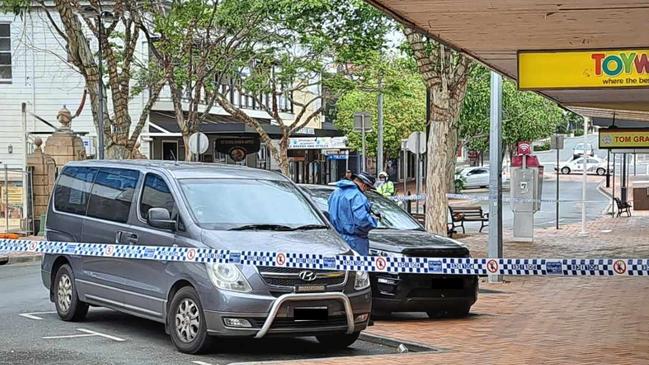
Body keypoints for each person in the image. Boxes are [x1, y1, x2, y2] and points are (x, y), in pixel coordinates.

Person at [327, 172, 378, 256]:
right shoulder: (358, 196)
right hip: (355, 241)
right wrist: (373, 220)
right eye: (367, 189)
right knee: (358, 267)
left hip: (337, 239)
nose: (366, 191)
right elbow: (362, 220)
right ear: (364, 185)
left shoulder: (335, 193)